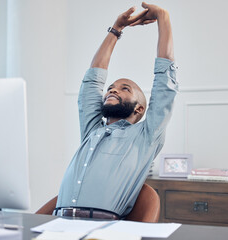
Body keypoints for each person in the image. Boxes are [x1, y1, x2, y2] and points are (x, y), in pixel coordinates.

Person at [55, 2, 178, 220]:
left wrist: (163, 18)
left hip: (103, 228)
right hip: (58, 223)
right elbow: (93, 81)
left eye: (125, 89)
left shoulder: (146, 136)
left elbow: (165, 83)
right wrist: (116, 29)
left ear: (140, 107)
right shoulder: (92, 131)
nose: (113, 90)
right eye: (111, 88)